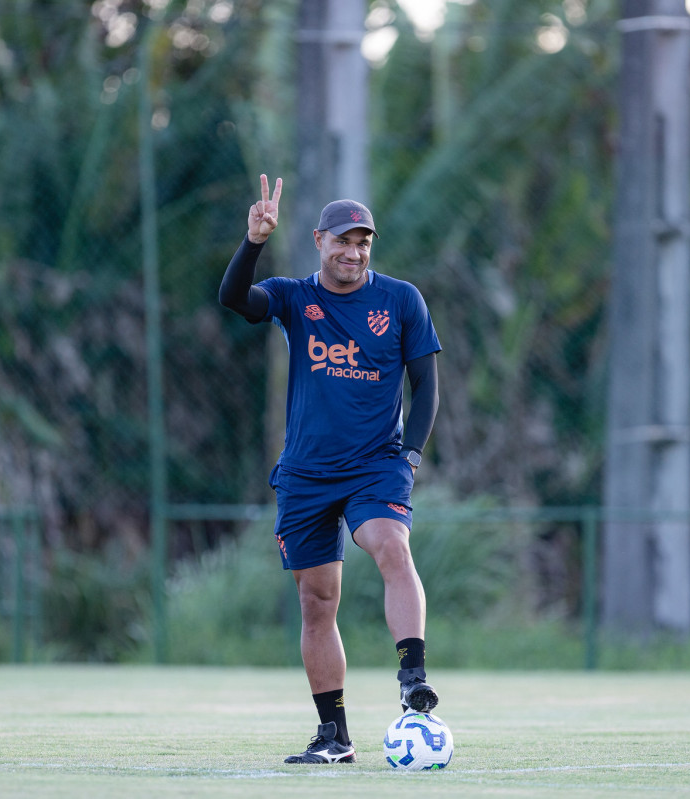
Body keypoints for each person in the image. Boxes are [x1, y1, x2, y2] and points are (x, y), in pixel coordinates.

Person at [219, 174, 442, 765]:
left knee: (391, 546)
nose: (354, 251)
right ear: (319, 241)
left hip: (376, 464)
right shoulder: (295, 297)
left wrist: (411, 456)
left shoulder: (400, 299)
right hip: (305, 473)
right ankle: (334, 736)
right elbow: (235, 300)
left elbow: (426, 386)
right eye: (343, 240)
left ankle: (412, 675)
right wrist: (253, 241)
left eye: (363, 242)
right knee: (317, 602)